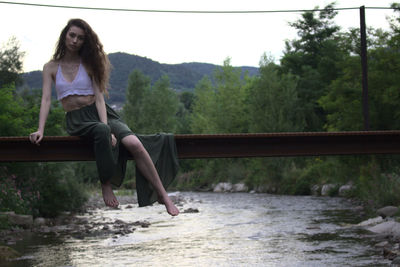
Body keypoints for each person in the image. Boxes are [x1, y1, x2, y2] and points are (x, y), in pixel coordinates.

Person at [29, 18, 179, 216]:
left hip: (103, 113)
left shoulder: (90, 64)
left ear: (85, 42)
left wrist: (107, 127)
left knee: (134, 144)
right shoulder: (50, 67)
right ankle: (106, 183)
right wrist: (41, 129)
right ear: (65, 35)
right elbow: (46, 100)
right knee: (102, 130)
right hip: (77, 119)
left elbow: (99, 99)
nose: (75, 40)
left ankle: (162, 195)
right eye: (72, 35)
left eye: (80, 38)